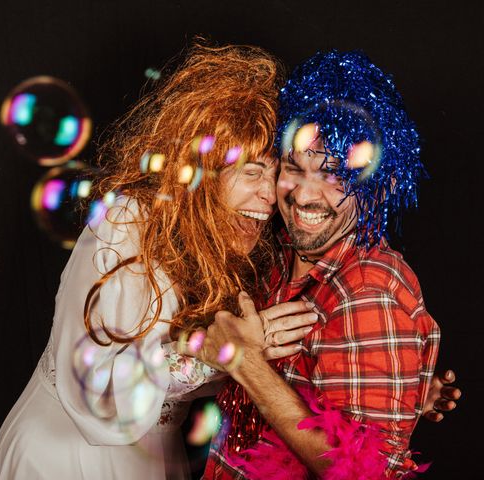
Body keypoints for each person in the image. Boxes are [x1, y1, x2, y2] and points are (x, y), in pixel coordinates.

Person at [0, 43, 318, 480]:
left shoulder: (226, 245)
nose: (268, 197)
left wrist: (399, 394)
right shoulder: (125, 224)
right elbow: (95, 390)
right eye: (253, 171)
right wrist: (214, 354)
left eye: (275, 175)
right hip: (66, 456)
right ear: (201, 168)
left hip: (149, 459)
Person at [185, 50, 450, 479]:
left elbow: (365, 473)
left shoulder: (368, 290)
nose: (305, 195)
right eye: (294, 167)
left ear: (376, 190)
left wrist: (245, 363)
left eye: (334, 175)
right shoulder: (283, 254)